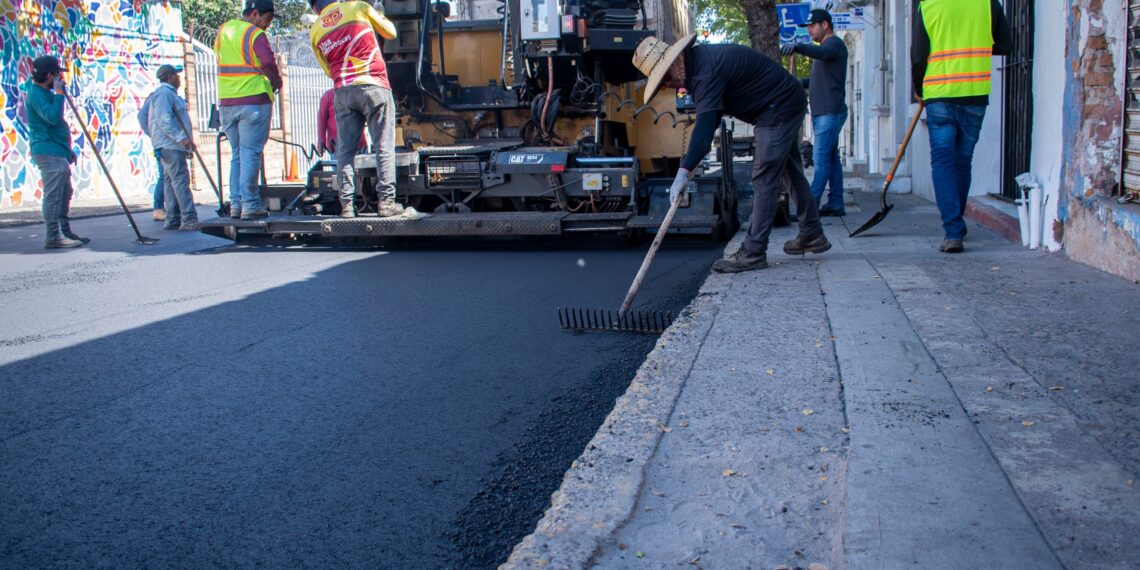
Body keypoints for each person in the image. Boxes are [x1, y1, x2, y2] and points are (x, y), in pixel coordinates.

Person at [632, 35, 829, 273]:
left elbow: (705, 126)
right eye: (661, 84)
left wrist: (683, 171)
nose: (668, 85)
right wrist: (687, 168)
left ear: (676, 61)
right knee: (791, 172)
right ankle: (812, 233)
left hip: (778, 106)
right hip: (780, 103)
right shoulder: (698, 66)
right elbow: (712, 117)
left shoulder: (704, 72)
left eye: (665, 78)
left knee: (764, 176)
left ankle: (753, 252)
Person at [912, 0, 1011, 253]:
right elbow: (1004, 43)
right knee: (962, 161)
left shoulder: (929, 5)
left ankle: (953, 230)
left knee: (943, 162)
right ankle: (956, 225)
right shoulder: (987, 3)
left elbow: (919, 55)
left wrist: (918, 86)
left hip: (939, 93)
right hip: (975, 92)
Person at [309, 0, 401, 218]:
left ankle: (347, 207)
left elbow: (328, 70)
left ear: (315, 9)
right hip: (374, 85)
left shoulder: (315, 30)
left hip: (343, 91)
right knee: (383, 146)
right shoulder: (357, 7)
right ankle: (386, 203)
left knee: (345, 152)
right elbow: (391, 33)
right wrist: (377, 12)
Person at [215, 0, 282, 220]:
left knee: (237, 155)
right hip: (253, 100)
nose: (267, 25)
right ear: (254, 14)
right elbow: (268, 63)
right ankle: (251, 205)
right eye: (267, 19)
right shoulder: (255, 35)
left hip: (226, 102)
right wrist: (276, 83)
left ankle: (236, 204)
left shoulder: (224, 30)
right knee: (251, 154)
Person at [781, 9, 848, 216]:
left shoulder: (833, 45)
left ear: (825, 25)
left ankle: (808, 209)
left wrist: (799, 47)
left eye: (812, 26)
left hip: (829, 113)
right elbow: (820, 82)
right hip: (825, 113)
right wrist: (798, 83)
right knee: (832, 160)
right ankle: (836, 203)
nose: (809, 30)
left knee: (821, 162)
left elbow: (821, 53)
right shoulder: (825, 50)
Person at [24, 55, 88, 249]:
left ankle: (64, 231)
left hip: (57, 150)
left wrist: (67, 150)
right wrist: (60, 93)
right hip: (47, 149)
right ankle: (53, 235)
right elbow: (52, 118)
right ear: (49, 75)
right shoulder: (36, 94)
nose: (60, 78)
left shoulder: (44, 93)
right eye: (58, 74)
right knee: (53, 195)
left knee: (65, 191)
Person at [144, 64, 199, 231]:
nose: (179, 78)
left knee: (170, 181)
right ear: (169, 77)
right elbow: (164, 119)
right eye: (176, 74)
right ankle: (188, 218)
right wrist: (181, 139)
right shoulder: (165, 94)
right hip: (171, 146)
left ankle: (173, 218)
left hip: (168, 145)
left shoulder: (165, 94)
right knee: (180, 180)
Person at [139, 91, 167, 222]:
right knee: (165, 176)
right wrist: (153, 134)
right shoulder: (159, 96)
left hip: (165, 143)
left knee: (169, 177)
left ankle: (168, 209)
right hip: (163, 143)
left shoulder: (165, 95)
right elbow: (142, 116)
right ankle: (158, 208)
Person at [316, 87, 366, 157]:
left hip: (359, 146)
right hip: (337, 146)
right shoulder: (329, 96)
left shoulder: (358, 94)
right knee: (339, 167)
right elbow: (321, 119)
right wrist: (321, 140)